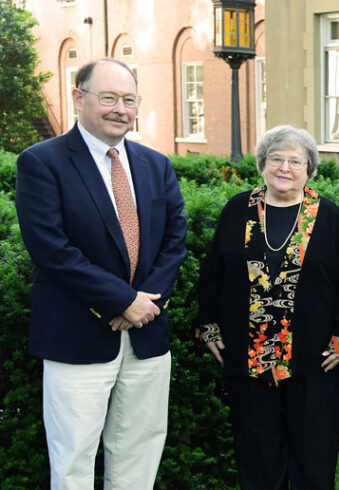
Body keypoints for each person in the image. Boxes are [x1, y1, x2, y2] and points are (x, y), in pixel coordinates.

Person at [14, 58, 187, 488]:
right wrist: (122, 301)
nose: (120, 109)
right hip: (77, 336)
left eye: (129, 100)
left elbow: (173, 242)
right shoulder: (41, 163)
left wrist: (143, 304)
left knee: (140, 449)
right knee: (73, 457)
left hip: (147, 336)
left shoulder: (156, 164)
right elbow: (51, 249)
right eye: (108, 97)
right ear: (79, 98)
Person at [195, 125, 339, 489]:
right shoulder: (238, 209)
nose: (285, 168)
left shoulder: (328, 215)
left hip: (313, 357)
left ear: (309, 169)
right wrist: (208, 326)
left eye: (295, 161)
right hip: (247, 353)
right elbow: (212, 275)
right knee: (256, 450)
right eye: (276, 159)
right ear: (262, 163)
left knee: (313, 452)